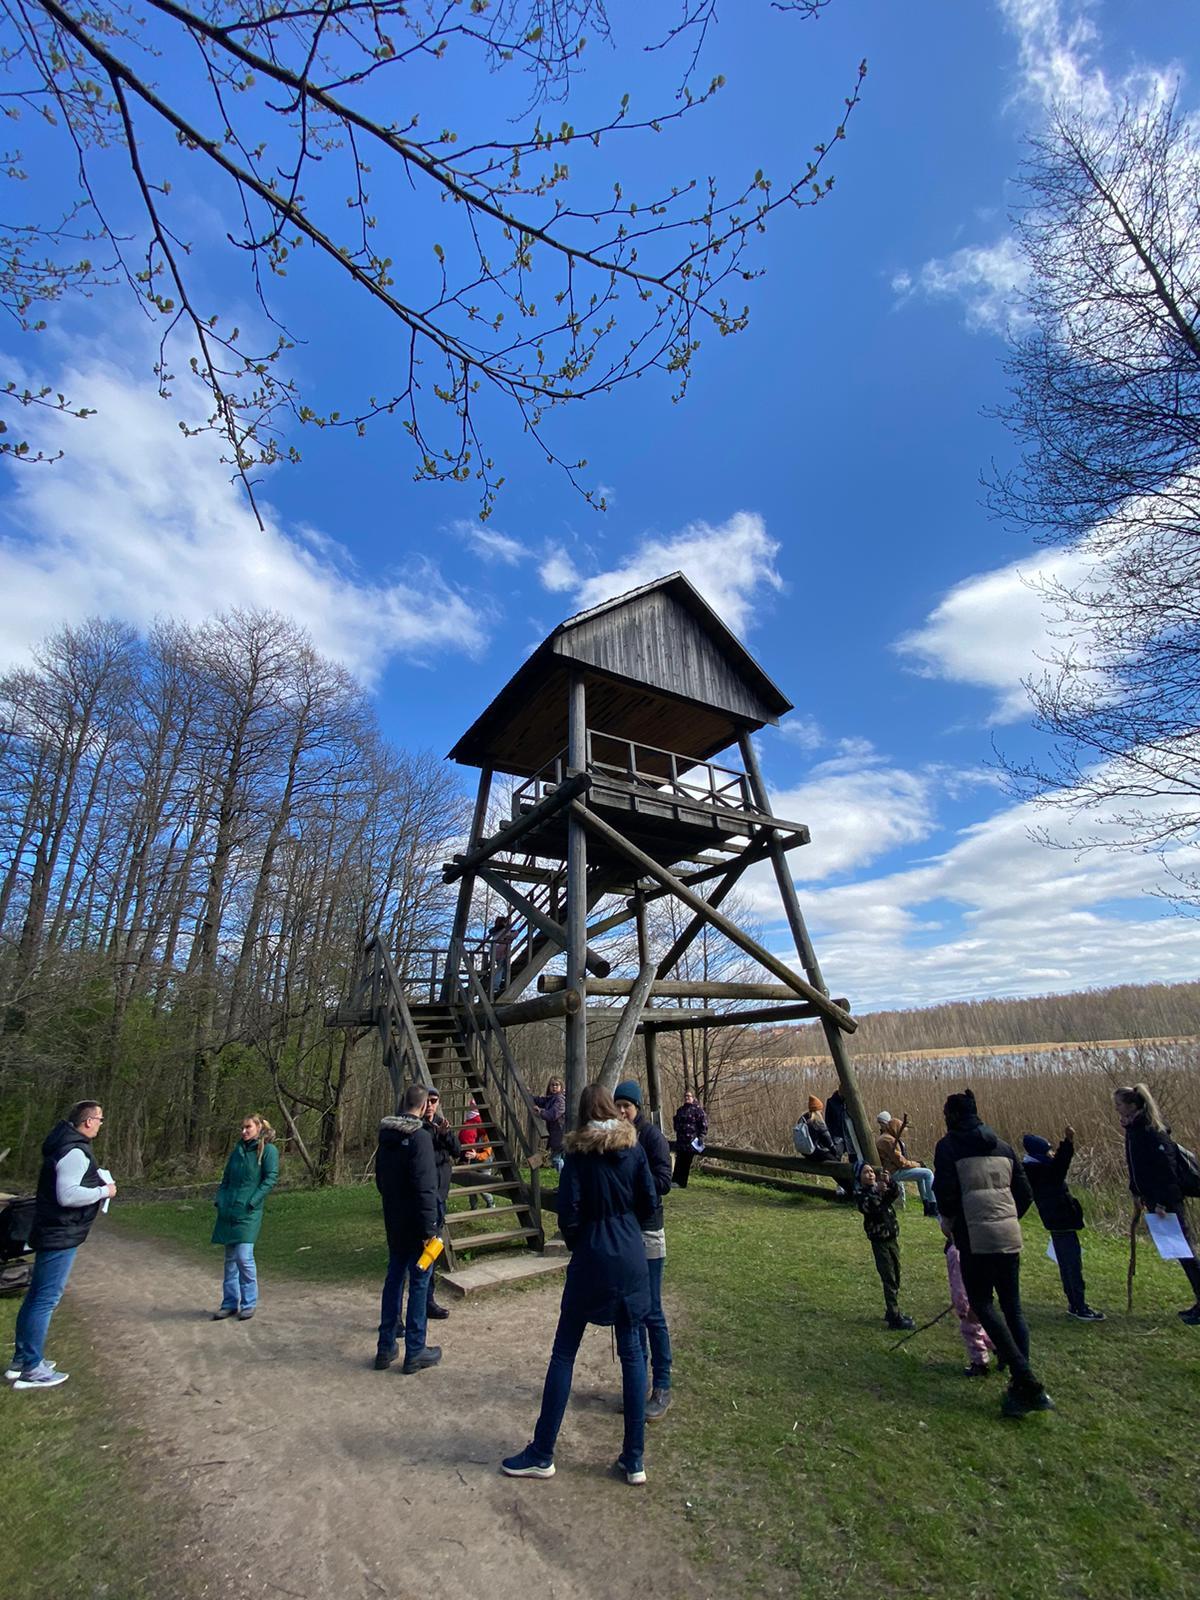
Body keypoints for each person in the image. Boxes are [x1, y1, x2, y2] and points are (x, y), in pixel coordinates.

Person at [502, 1083, 657, 1485]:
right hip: (630, 1257)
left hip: (590, 1257)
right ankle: (634, 1459)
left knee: (564, 1353)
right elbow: (649, 1201)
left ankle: (542, 1452)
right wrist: (626, 1227)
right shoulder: (634, 1149)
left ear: (583, 1115)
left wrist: (583, 1240)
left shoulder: (576, 1156)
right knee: (633, 1354)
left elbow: (567, 1213)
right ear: (613, 1110)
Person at [934, 1089, 1054, 1419]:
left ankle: (1025, 1380)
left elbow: (945, 1195)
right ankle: (1020, 1378)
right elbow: (1024, 1193)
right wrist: (1008, 1219)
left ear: (953, 1116)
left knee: (983, 1304)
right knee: (1012, 1308)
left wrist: (955, 1225)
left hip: (974, 1236)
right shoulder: (1003, 1146)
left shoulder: (949, 1147)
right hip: (1008, 1235)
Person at [6, 1100, 115, 1390]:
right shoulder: (75, 1151)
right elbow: (68, 1195)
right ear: (89, 1121)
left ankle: (22, 1359)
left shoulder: (64, 1144)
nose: (101, 1125)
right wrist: (105, 1190)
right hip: (59, 1233)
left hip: (54, 1230)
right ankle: (32, 1368)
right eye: (100, 1119)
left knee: (36, 1297)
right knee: (45, 1298)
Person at [1115, 1083, 1200, 1324]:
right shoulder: (1133, 1129)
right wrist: (1136, 1193)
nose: (1116, 1109)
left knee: (1185, 1251)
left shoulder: (1152, 1132)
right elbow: (1137, 1168)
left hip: (1167, 1202)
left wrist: (1162, 1202)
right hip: (1152, 1199)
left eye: (1119, 1104)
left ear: (1132, 1105)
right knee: (1180, 1252)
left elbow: (1167, 1171)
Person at [614, 1078, 674, 1421]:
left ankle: (661, 1385)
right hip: (625, 1231)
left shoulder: (651, 1137)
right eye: (619, 1106)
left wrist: (636, 1178)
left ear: (637, 1108)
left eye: (628, 1106)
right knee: (631, 1310)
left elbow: (664, 1180)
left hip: (649, 1229)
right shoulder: (614, 1137)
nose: (623, 1111)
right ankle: (638, 1383)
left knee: (651, 1309)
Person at [374, 1084, 442, 1374]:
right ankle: (415, 1350)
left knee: (393, 1279)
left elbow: (380, 1180)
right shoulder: (420, 1138)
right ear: (424, 1104)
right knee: (418, 1282)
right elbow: (427, 1187)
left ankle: (385, 1346)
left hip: (394, 1218)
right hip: (417, 1223)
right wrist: (430, 1229)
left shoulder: (386, 1136)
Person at [1022, 1127, 1104, 1322]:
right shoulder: (1044, 1171)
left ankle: (1074, 1303)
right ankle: (1079, 1306)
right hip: (1062, 1222)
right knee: (1072, 1265)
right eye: (1048, 1150)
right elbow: (1061, 1165)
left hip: (1055, 1223)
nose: (1051, 1153)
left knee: (1067, 1264)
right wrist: (1067, 1143)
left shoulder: (1031, 1169)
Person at [211, 1113, 279, 1322]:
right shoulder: (237, 1151)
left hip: (249, 1212)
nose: (244, 1131)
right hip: (229, 1210)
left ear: (258, 1127)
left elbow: (270, 1178)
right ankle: (230, 1304)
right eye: (243, 1127)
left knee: (244, 1257)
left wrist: (253, 1201)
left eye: (248, 1127)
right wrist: (220, 1199)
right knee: (230, 1259)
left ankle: (249, 1303)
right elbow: (226, 1179)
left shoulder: (268, 1150)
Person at [854, 1163, 915, 1331]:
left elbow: (893, 1195)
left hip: (892, 1238)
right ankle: (894, 1317)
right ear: (859, 1177)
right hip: (879, 1241)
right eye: (865, 1172)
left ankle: (891, 1311)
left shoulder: (880, 1189)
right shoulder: (861, 1194)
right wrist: (877, 1191)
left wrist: (890, 1183)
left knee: (896, 1273)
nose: (870, 1175)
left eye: (872, 1172)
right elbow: (870, 1207)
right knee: (888, 1277)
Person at [423, 1088, 460, 1320]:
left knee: (432, 1253)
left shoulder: (440, 1123)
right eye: (427, 1101)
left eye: (434, 1101)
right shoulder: (416, 1127)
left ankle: (428, 1300)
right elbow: (426, 1158)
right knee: (420, 1254)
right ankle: (421, 1303)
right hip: (425, 1198)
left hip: (440, 1196)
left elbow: (457, 1150)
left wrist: (445, 1135)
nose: (430, 1105)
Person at [945, 1239, 994, 1377]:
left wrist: (962, 1305)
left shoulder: (956, 1252)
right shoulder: (973, 1245)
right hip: (979, 1296)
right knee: (981, 1328)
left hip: (968, 1301)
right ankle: (1001, 1348)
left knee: (971, 1331)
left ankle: (980, 1363)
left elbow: (959, 1284)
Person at [876, 1112, 938, 1215]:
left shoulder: (884, 1137)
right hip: (893, 1172)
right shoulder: (889, 1140)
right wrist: (917, 1164)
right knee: (928, 1173)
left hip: (890, 1170)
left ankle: (926, 1205)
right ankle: (933, 1205)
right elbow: (901, 1163)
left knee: (920, 1177)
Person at [460, 1103, 496, 1210]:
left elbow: (487, 1154)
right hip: (473, 1161)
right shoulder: (470, 1130)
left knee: (482, 1187)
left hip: (484, 1163)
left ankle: (491, 1203)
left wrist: (476, 1155)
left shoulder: (486, 1135)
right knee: (471, 1185)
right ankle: (473, 1207)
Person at [671, 1088, 708, 1188]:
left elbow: (703, 1124)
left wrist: (701, 1136)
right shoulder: (681, 1110)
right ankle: (675, 1181)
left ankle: (682, 1183)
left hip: (691, 1142)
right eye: (686, 1096)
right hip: (681, 1141)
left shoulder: (698, 1110)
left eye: (689, 1096)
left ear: (693, 1098)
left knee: (686, 1163)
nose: (687, 1098)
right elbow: (676, 1124)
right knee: (679, 1162)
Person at [532, 1076, 567, 1174]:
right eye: (552, 1085)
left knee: (556, 1159)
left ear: (561, 1086)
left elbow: (553, 1114)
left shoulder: (560, 1100)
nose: (554, 1087)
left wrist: (540, 1112)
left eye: (557, 1085)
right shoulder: (551, 1098)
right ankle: (565, 1182)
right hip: (556, 1134)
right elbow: (541, 1101)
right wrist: (529, 1095)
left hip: (561, 1133)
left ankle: (564, 1181)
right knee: (560, 1159)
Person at [799, 1096, 839, 1162]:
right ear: (818, 1110)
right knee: (836, 1162)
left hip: (805, 1153)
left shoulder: (803, 1120)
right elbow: (828, 1140)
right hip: (816, 1153)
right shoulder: (817, 1122)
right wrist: (835, 1153)